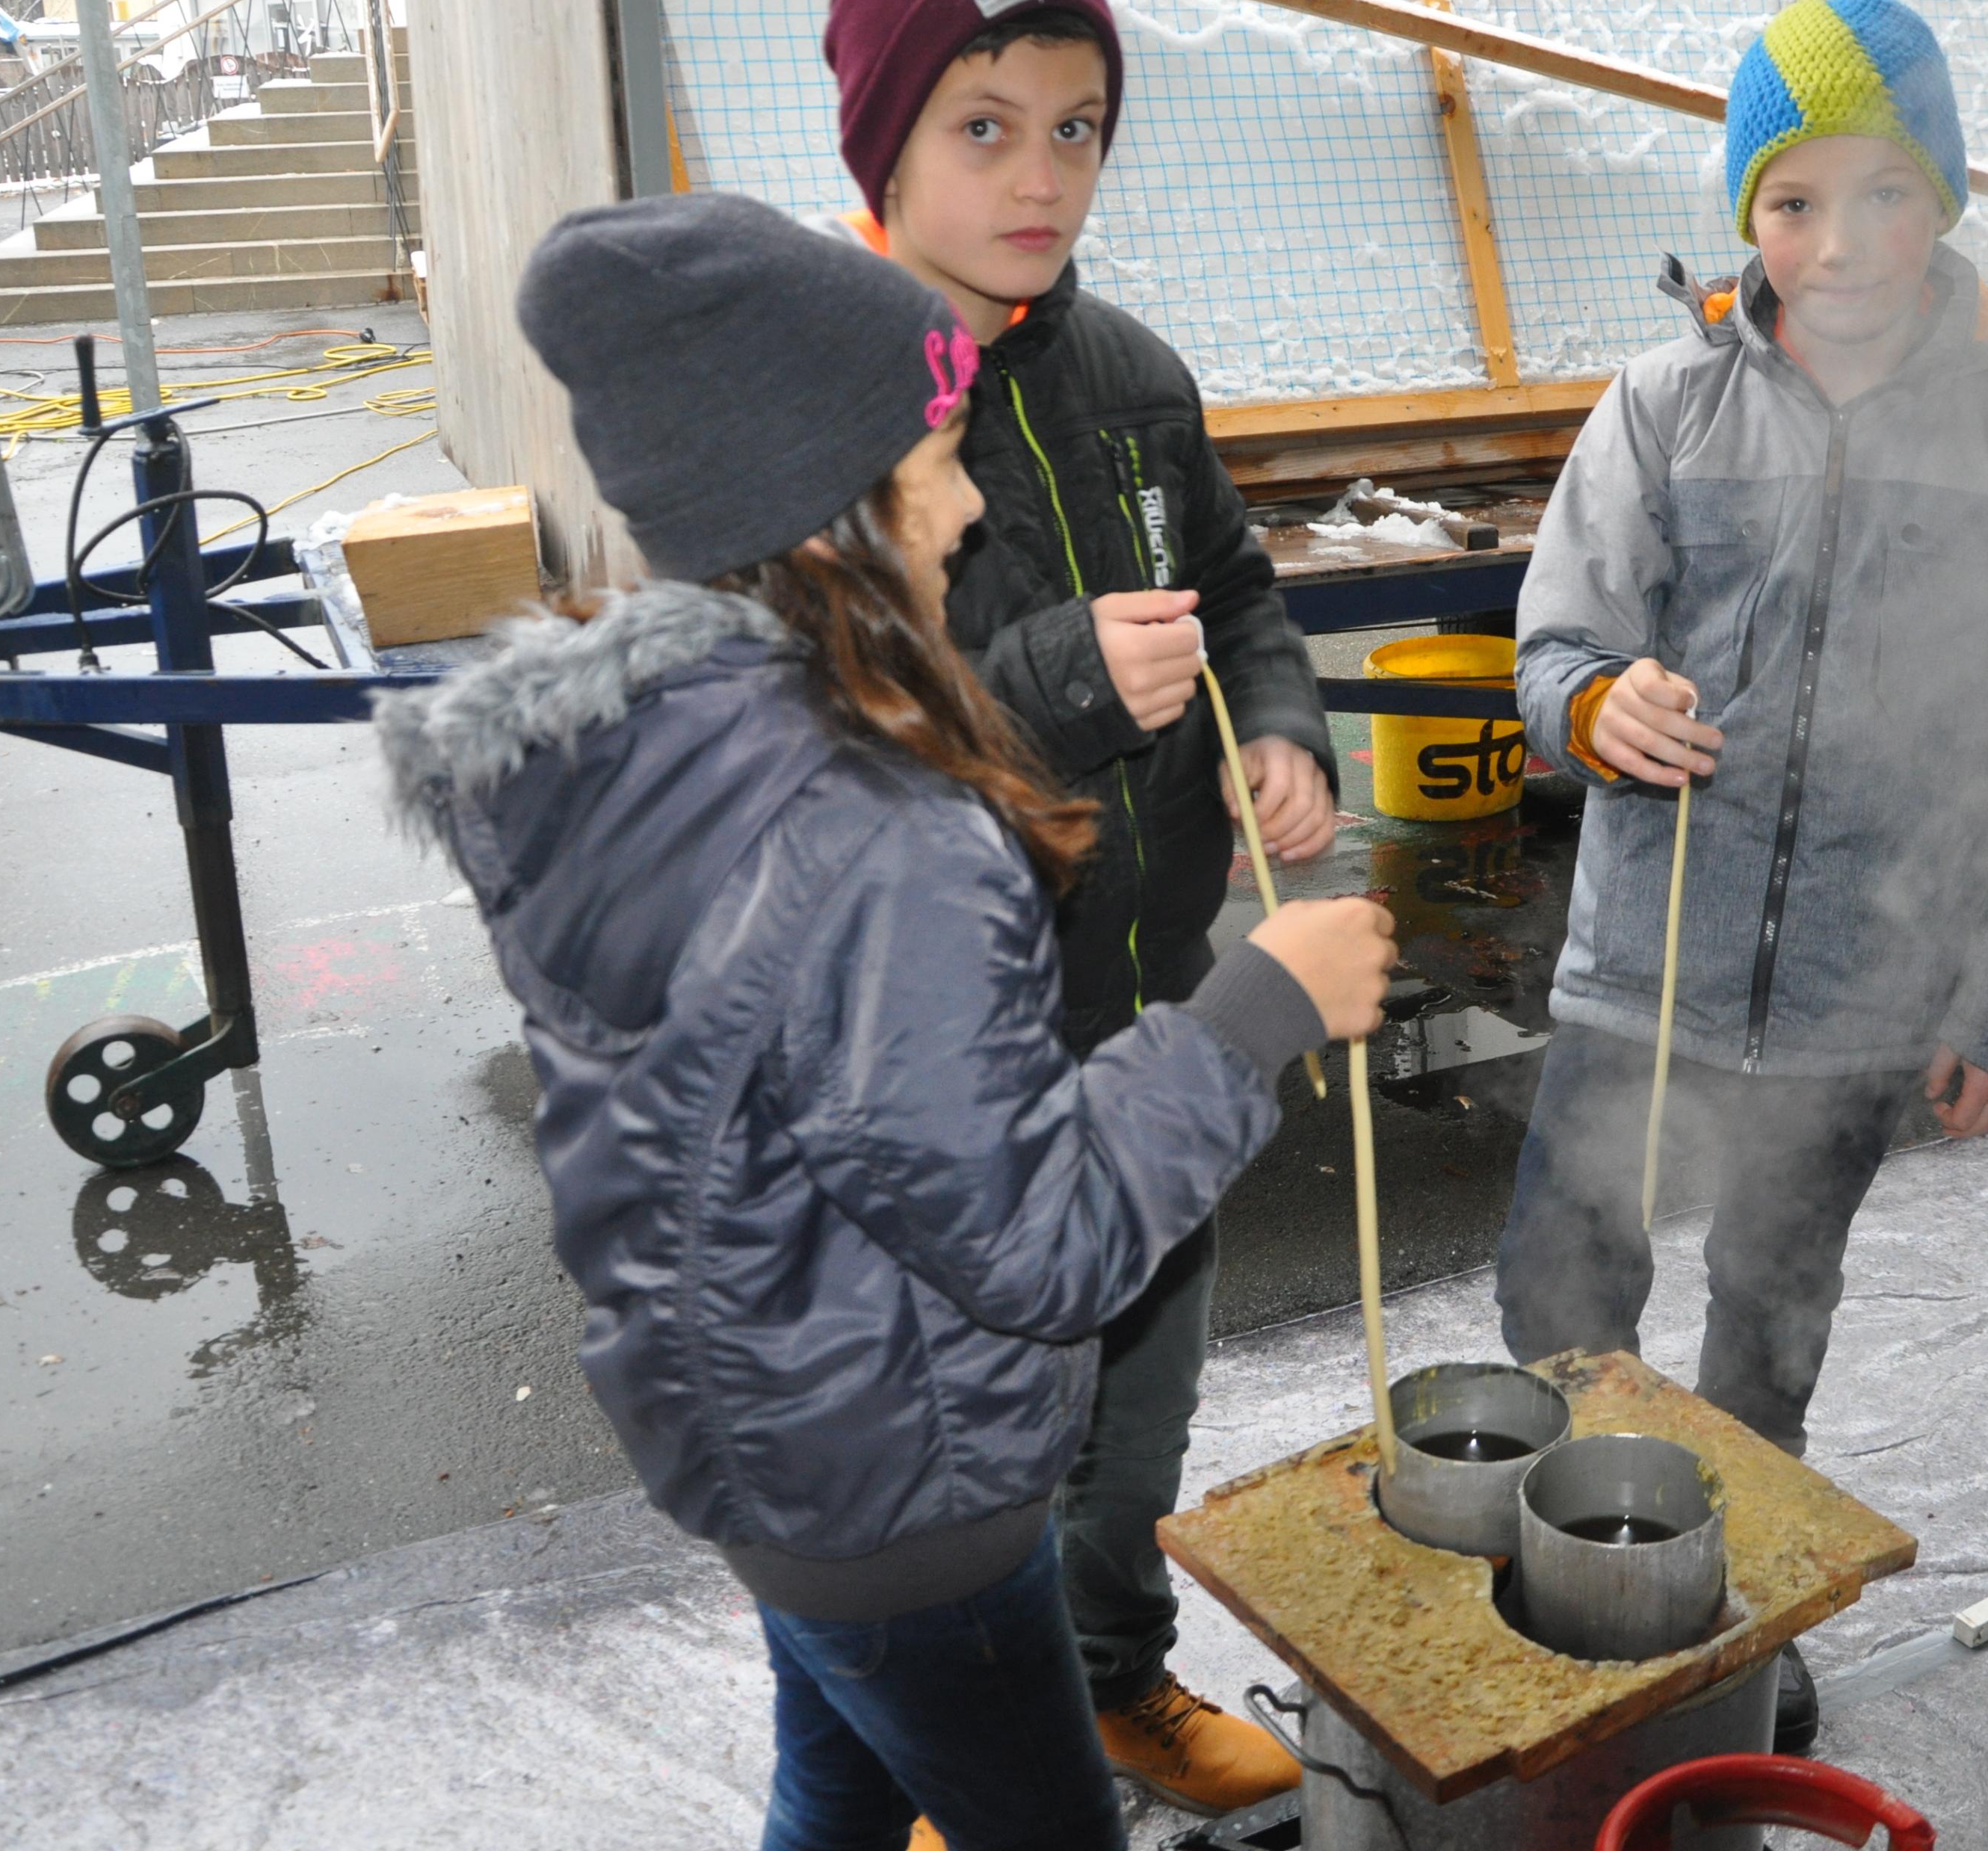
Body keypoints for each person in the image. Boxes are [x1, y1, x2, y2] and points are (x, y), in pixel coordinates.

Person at [374, 195, 1396, 1851]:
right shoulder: (883, 832)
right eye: (933, 459)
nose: (972, 498)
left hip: (761, 1429)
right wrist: (1256, 1008)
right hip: (906, 1489)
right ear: (826, 509)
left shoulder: (641, 758)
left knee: (837, 1788)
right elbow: (1038, 1242)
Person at [1500, 0, 1988, 1746]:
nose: (1838, 241)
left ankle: (1723, 1610)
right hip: (1641, 976)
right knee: (1559, 1296)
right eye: (1793, 200)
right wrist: (1592, 703)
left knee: (1769, 1317)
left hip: (1864, 999)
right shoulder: (1662, 404)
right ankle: (1569, 1583)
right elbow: (1556, 640)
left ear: (1940, 199)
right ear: (1746, 212)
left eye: (1882, 194)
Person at [812, 0, 1335, 1825]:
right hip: (957, 1066)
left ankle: (1109, 1682)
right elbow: (829, 722)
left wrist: (1276, 720)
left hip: (1149, 1022)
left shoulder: (1133, 376)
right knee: (970, 1444)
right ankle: (964, 1755)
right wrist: (1058, 679)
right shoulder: (830, 410)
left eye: (1077, 128)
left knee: (1136, 1415)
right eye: (983, 127)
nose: (1039, 175)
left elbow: (1239, 585)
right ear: (882, 149)